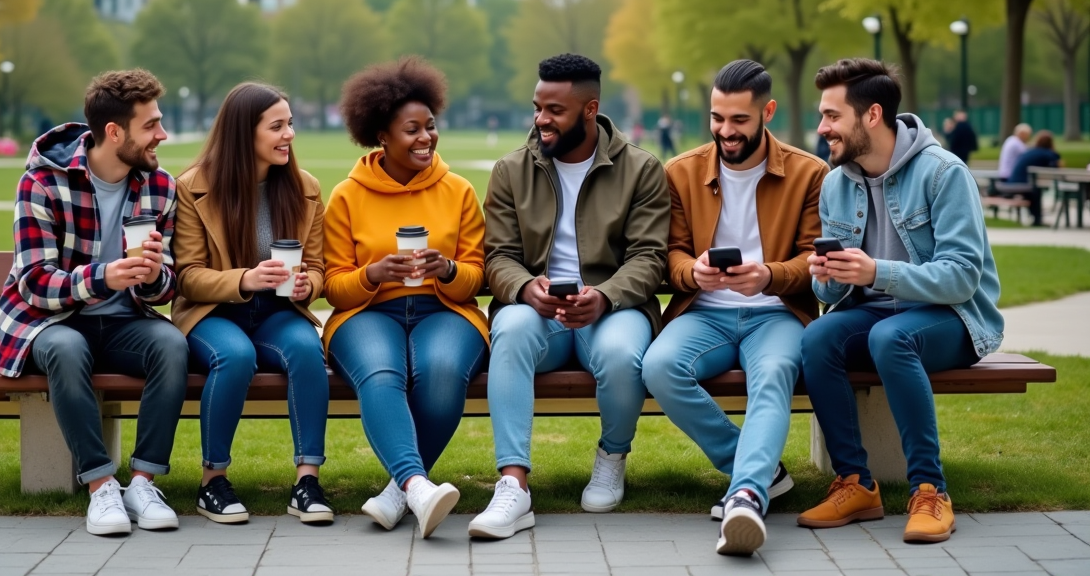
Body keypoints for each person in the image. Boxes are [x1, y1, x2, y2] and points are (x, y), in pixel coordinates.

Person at [799, 58, 1002, 544]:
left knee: (892, 338)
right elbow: (832, 296)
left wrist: (877, 271)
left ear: (871, 115)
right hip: (874, 313)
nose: (822, 127)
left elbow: (961, 278)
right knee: (817, 337)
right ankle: (856, 483)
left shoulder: (943, 173)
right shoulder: (835, 182)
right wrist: (825, 277)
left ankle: (930, 490)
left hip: (952, 317)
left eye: (832, 116)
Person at [468, 53, 669, 540]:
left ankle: (612, 455)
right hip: (539, 315)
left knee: (623, 354)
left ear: (589, 108)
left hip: (611, 310)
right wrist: (522, 287)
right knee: (511, 329)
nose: (541, 119)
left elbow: (649, 257)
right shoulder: (511, 171)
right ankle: (514, 486)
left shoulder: (641, 169)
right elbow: (498, 255)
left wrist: (604, 296)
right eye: (538, 107)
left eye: (554, 110)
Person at [643, 60, 828, 556]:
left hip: (778, 313)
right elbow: (669, 253)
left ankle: (745, 497)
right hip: (703, 312)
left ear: (766, 112)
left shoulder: (810, 173)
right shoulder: (680, 172)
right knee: (659, 367)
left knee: (773, 374)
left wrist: (769, 275)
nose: (726, 131)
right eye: (717, 118)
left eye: (739, 120)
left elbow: (816, 257)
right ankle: (761, 470)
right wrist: (691, 272)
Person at [0, 70, 186, 536]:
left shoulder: (160, 186)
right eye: (152, 125)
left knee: (171, 345)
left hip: (123, 324)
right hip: (49, 321)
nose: (163, 134)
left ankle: (142, 483)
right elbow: (35, 283)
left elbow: (166, 287)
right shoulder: (41, 183)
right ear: (115, 132)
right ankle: (101, 486)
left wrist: (153, 274)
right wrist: (106, 276)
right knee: (67, 349)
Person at [323, 57, 488, 539]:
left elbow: (475, 276)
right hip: (368, 311)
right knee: (380, 372)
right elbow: (334, 285)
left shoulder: (457, 191)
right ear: (382, 136)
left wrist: (448, 269)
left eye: (430, 127)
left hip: (446, 309)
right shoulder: (347, 196)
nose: (425, 138)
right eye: (411, 129)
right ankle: (418, 485)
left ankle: (399, 492)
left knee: (440, 372)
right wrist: (372, 274)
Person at [172, 82, 334, 526]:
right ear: (245, 133)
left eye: (291, 124)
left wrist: (308, 285)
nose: (290, 135)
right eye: (278, 126)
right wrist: (244, 278)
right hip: (213, 313)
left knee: (306, 352)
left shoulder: (305, 188)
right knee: (235, 356)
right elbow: (185, 275)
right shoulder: (193, 187)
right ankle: (213, 481)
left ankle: (307, 482)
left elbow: (318, 266)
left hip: (278, 314)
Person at [1008, 130, 1062, 226]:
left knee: (1035, 190)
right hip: (1023, 183)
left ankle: (1036, 218)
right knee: (1035, 191)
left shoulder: (1030, 151)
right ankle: (1037, 219)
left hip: (1013, 181)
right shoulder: (1048, 154)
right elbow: (1057, 167)